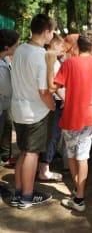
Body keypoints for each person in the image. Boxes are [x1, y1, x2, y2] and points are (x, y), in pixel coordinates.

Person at [46, 31, 92, 212]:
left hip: (71, 116)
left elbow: (51, 87)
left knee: (71, 154)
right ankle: (79, 195)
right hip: (90, 117)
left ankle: (78, 194)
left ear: (78, 46)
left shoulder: (69, 63)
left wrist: (49, 65)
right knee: (83, 156)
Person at [10, 14, 56, 209]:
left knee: (24, 151)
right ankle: (27, 196)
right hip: (34, 112)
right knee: (32, 154)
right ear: (46, 32)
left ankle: (19, 192)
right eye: (52, 32)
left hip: (18, 109)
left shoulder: (20, 49)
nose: (52, 36)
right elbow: (44, 91)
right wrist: (52, 105)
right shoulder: (40, 56)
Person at [38, 33, 65, 181]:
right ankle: (44, 169)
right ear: (54, 44)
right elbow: (55, 85)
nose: (63, 49)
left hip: (49, 102)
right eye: (61, 45)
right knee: (53, 135)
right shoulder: (52, 61)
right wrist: (65, 98)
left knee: (50, 135)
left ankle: (43, 166)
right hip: (54, 102)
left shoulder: (48, 58)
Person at [0, 29, 19, 168]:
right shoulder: (1, 67)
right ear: (7, 46)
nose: (17, 47)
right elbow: (8, 90)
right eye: (16, 45)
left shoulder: (4, 60)